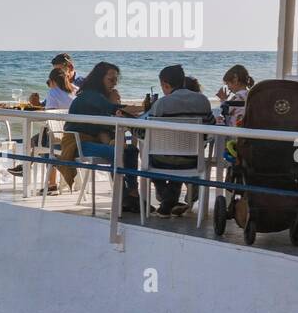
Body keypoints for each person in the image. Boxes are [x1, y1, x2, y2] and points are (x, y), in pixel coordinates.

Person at [63, 62, 141, 210]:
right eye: (111, 80)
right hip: (79, 141)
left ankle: (132, 194)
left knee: (131, 150)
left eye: (116, 80)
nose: (114, 83)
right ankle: (124, 196)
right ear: (100, 79)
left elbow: (111, 119)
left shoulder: (99, 97)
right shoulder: (91, 95)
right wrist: (148, 107)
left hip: (94, 139)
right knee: (118, 152)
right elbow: (117, 110)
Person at [145, 64, 214, 218]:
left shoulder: (162, 104)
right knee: (181, 157)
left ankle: (167, 201)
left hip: (162, 161)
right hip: (193, 160)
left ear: (165, 84)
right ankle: (170, 202)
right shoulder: (203, 100)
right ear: (183, 81)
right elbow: (211, 127)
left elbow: (147, 133)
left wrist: (131, 126)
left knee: (148, 158)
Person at [12, 66, 77, 188]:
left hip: (59, 136)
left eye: (49, 83)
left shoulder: (53, 92)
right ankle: (26, 166)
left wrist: (35, 107)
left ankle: (51, 183)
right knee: (37, 140)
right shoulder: (76, 91)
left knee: (42, 140)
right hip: (74, 136)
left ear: (52, 81)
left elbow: (50, 115)